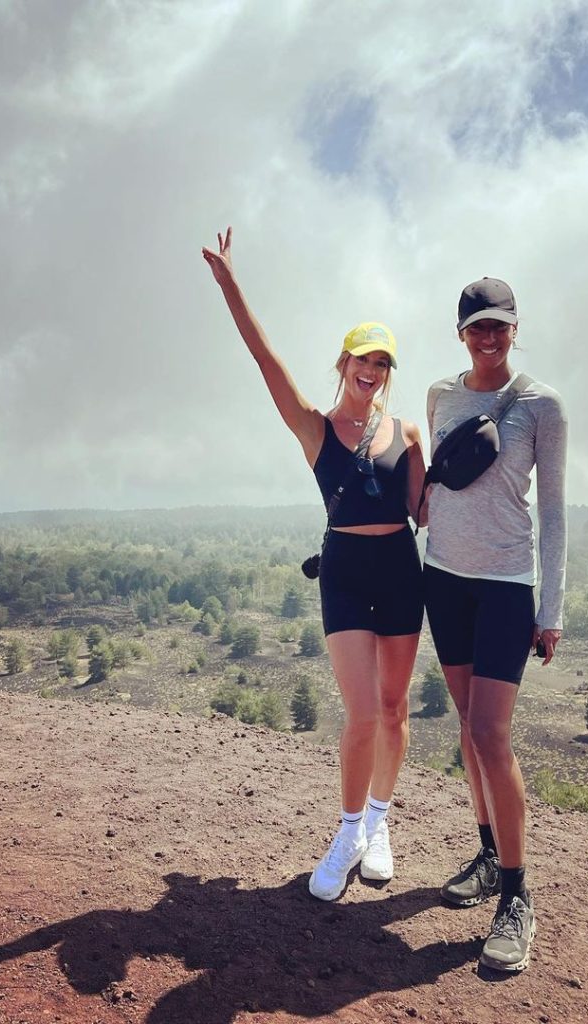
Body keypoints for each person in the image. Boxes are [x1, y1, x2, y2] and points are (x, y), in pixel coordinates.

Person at [202, 227, 426, 902]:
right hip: (346, 573)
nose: (372, 370)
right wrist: (230, 287)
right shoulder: (313, 427)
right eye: (363, 359)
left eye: (383, 362)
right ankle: (348, 831)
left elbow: (425, 511)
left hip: (400, 569)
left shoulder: (408, 433)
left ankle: (381, 825)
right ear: (343, 363)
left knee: (394, 709)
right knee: (360, 715)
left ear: (389, 372)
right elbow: (264, 359)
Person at [423, 276, 567, 972]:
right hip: (444, 580)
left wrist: (552, 610)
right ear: (460, 333)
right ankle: (486, 853)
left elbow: (556, 512)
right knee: (465, 725)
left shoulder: (542, 406)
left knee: (490, 732)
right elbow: (434, 488)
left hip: (507, 586)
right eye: (476, 327)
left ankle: (516, 895)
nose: (488, 338)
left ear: (515, 328)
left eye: (498, 326)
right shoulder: (440, 397)